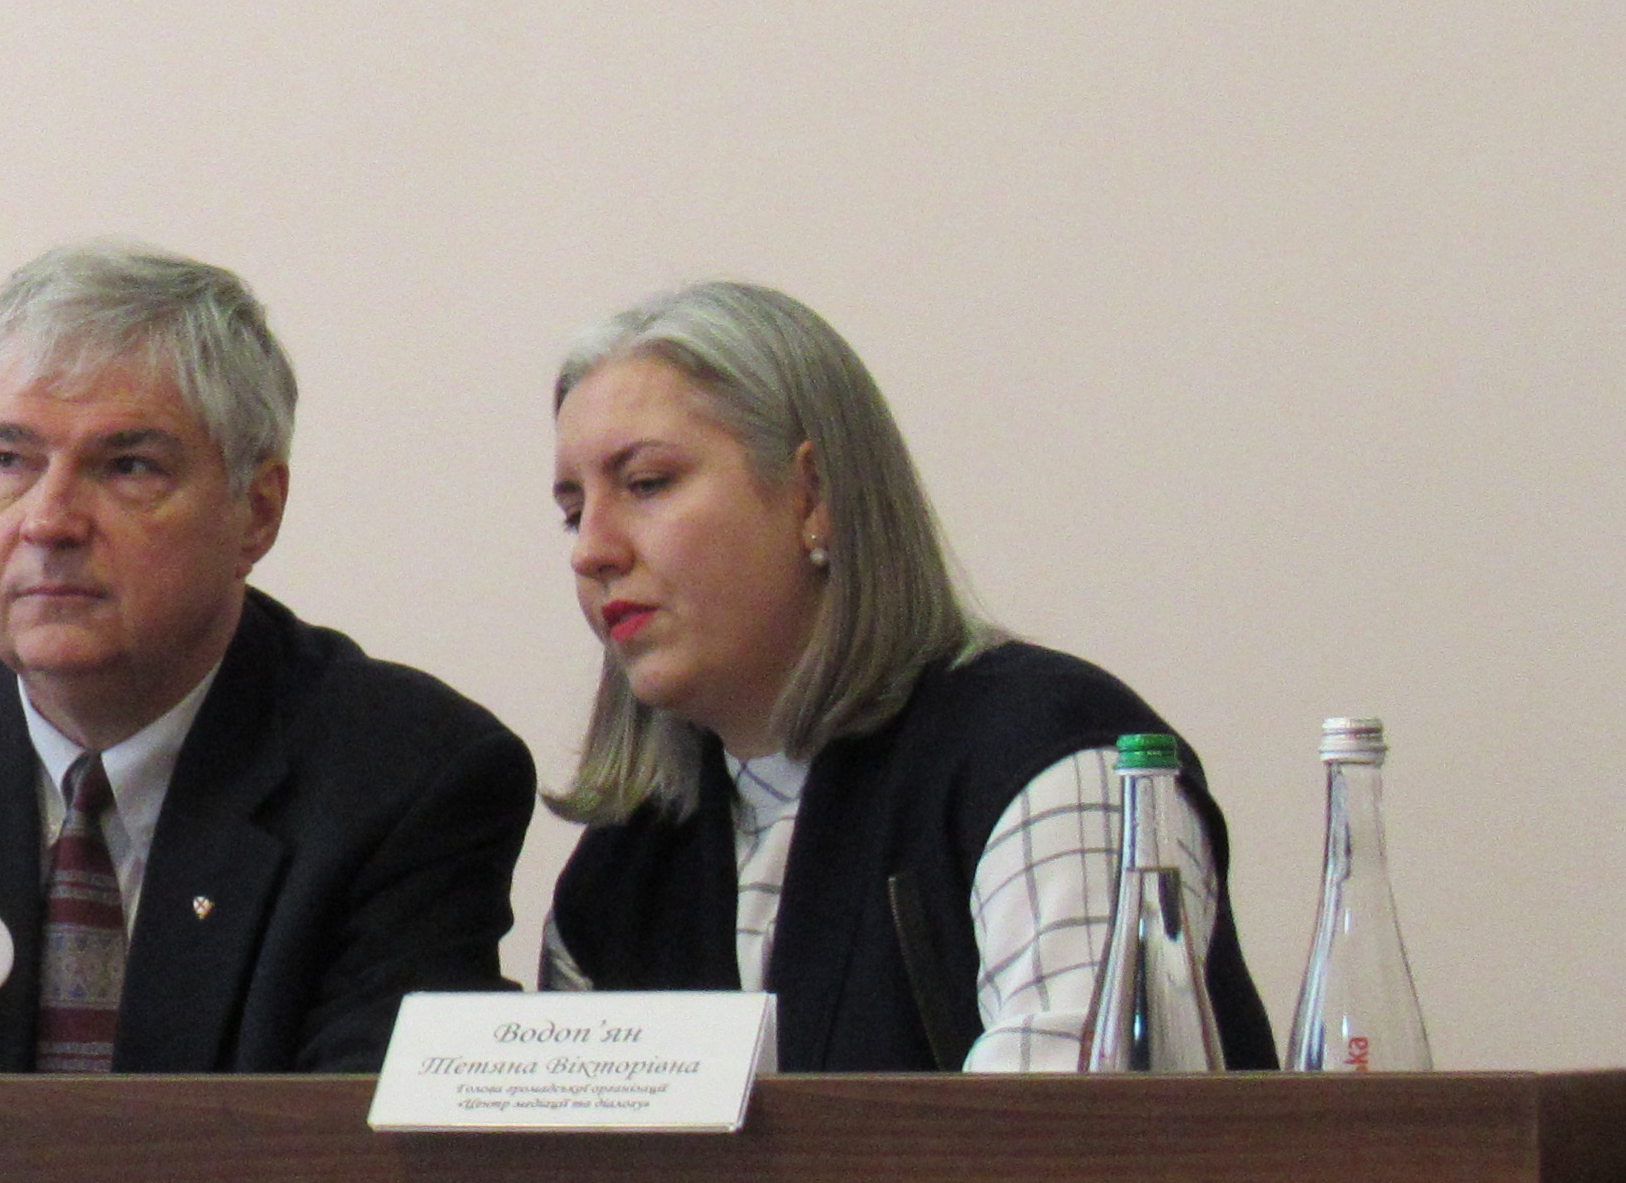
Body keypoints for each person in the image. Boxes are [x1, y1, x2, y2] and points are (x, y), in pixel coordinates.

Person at [0, 243, 530, 1070]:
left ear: (257, 512)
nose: (48, 521)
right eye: (9, 460)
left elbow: (359, 1138)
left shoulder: (403, 778)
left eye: (127, 466)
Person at [537, 280, 1277, 1071]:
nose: (593, 550)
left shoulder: (1044, 757)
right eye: (574, 512)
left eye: (647, 484)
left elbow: (1073, 1140)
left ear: (813, 496)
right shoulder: (618, 873)